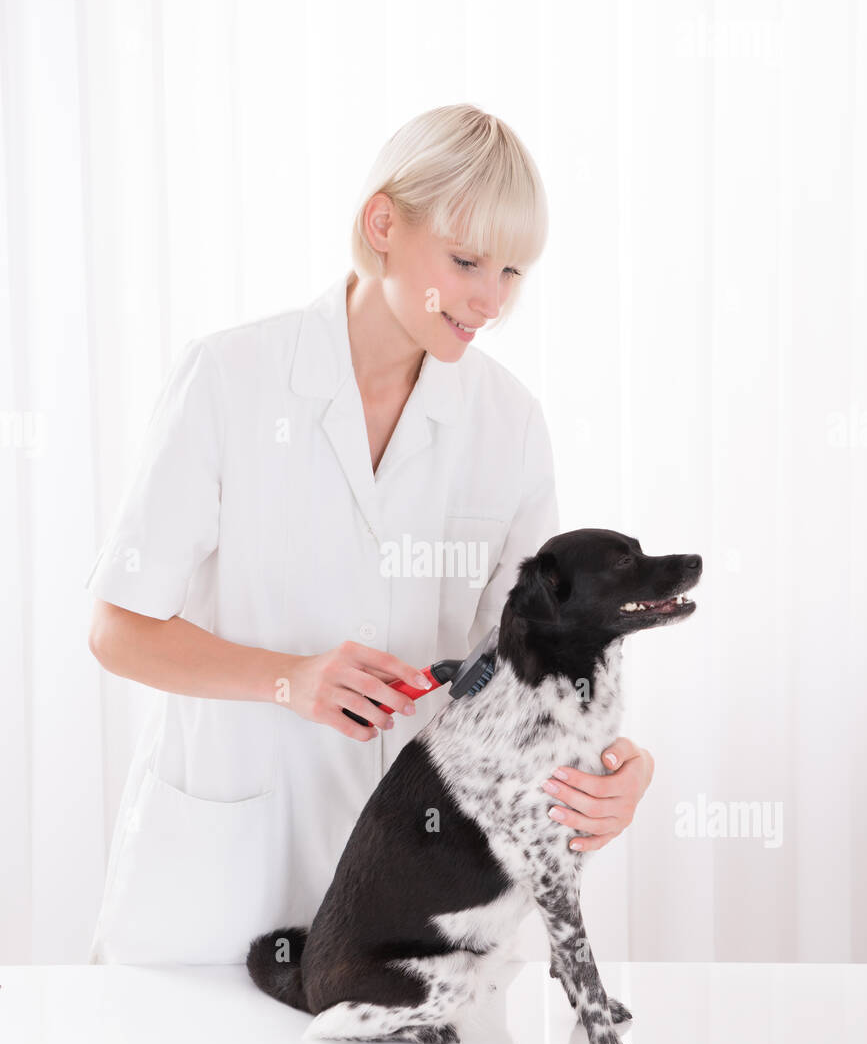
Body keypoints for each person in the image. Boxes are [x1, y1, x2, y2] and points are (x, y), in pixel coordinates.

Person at [85, 103, 655, 965]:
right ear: (382, 223)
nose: (489, 300)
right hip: (223, 873)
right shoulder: (230, 380)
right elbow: (117, 630)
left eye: (510, 272)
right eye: (466, 261)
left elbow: (532, 656)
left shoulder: (508, 423)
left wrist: (617, 768)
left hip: (415, 889)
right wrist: (290, 680)